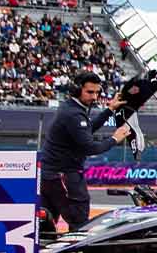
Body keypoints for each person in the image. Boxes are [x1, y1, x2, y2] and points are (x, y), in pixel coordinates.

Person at [38, 69, 133, 231]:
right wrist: (114, 139)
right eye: (89, 92)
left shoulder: (71, 107)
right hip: (63, 175)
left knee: (46, 222)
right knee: (79, 221)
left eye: (97, 92)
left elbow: (86, 129)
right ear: (77, 90)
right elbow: (90, 147)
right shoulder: (74, 114)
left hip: (52, 175)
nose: (94, 97)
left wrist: (109, 110)